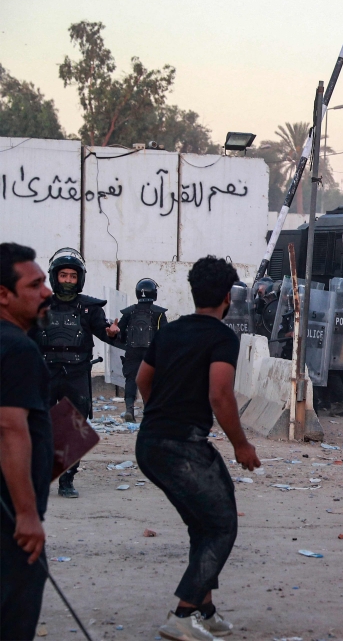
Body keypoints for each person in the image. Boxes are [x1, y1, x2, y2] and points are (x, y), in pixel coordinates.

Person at [134, 256, 260, 641]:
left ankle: (204, 610)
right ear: (228, 297)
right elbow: (220, 394)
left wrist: (163, 412)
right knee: (221, 525)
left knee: (203, 522)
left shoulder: (170, 331)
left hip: (151, 442)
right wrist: (241, 444)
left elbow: (143, 379)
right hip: (182, 446)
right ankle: (183, 613)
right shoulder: (222, 337)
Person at [0, 242, 54, 640]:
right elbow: (8, 428)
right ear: (4, 295)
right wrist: (26, 514)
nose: (47, 292)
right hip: (8, 524)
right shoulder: (18, 348)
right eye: (35, 285)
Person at [34, 247, 119, 498]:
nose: (68, 280)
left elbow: (105, 332)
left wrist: (112, 333)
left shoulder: (90, 307)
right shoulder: (40, 304)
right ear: (54, 277)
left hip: (77, 373)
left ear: (79, 278)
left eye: (72, 276)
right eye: (63, 276)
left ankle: (67, 479)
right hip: (45, 372)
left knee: (74, 427)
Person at [115, 278, 167, 422]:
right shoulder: (159, 313)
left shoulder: (129, 312)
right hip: (152, 353)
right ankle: (148, 411)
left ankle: (129, 409)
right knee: (150, 381)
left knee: (131, 379)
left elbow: (119, 332)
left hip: (132, 351)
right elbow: (165, 334)